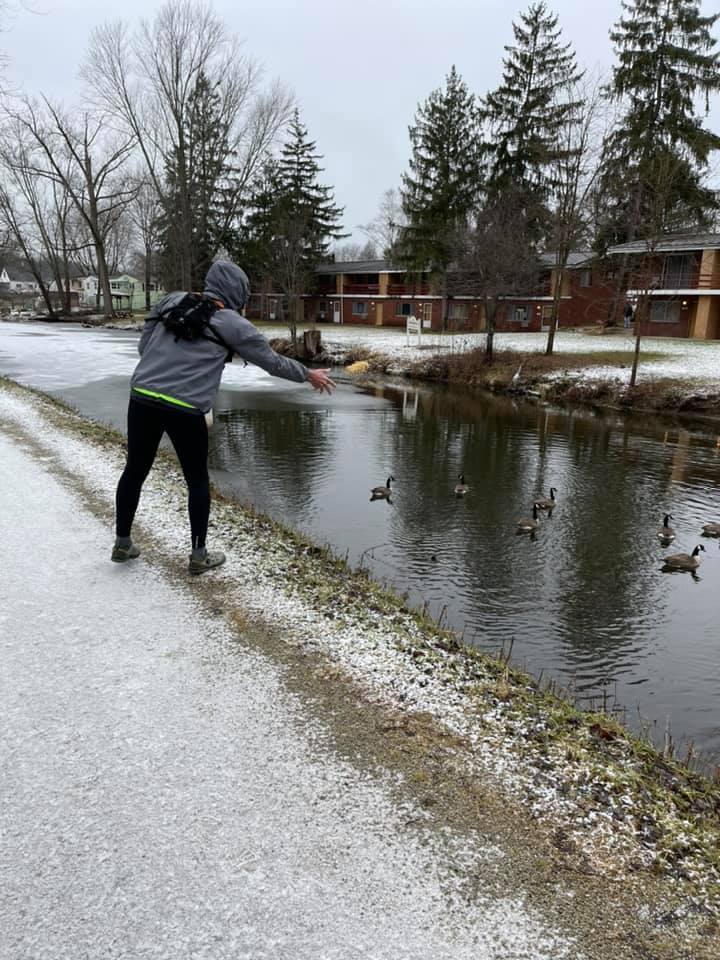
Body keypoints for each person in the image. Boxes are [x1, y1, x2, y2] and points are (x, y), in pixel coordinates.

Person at [112, 260, 336, 575]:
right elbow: (270, 361)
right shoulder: (233, 324)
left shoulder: (171, 301)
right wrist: (307, 374)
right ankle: (199, 555)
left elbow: (144, 345)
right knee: (197, 480)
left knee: (135, 469)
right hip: (185, 407)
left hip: (143, 397)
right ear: (237, 294)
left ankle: (122, 543)